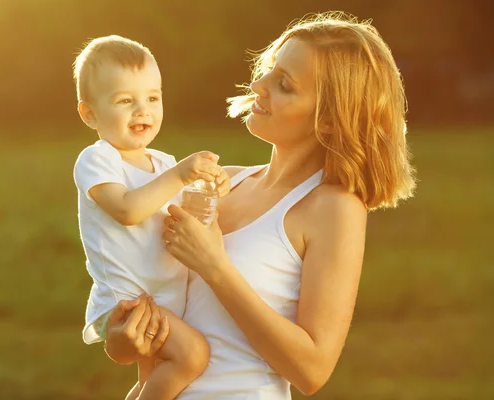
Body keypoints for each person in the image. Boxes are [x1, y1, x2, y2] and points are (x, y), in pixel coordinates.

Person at [102, 12, 416, 399]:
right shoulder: (220, 181)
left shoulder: (333, 208)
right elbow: (155, 319)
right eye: (269, 70)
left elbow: (312, 370)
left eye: (284, 84)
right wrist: (121, 338)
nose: (257, 85)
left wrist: (215, 266)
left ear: (331, 118)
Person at [72, 35, 231, 400]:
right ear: (90, 113)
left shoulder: (161, 163)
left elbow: (179, 215)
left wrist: (211, 187)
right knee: (192, 355)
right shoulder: (98, 159)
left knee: (151, 383)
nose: (142, 110)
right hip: (127, 300)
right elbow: (127, 210)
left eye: (152, 98)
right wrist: (180, 174)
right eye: (125, 101)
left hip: (164, 297)